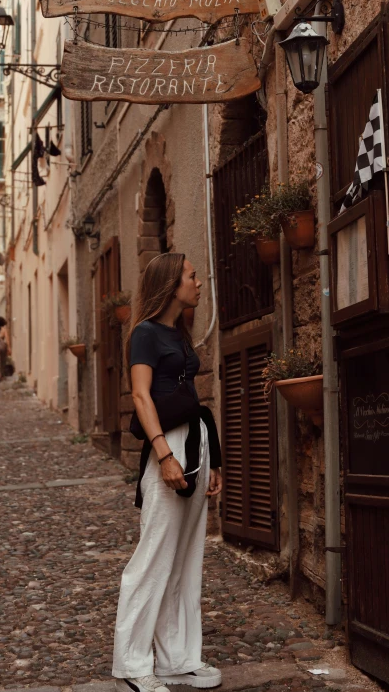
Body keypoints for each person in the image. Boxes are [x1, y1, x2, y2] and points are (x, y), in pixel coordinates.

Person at [112, 253, 223, 692]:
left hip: (194, 440)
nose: (199, 282)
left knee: (184, 557)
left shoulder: (178, 332)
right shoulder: (143, 334)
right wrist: (163, 455)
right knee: (154, 557)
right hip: (169, 446)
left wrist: (213, 458)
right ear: (171, 285)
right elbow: (140, 396)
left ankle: (178, 658)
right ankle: (134, 665)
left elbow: (192, 400)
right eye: (192, 276)